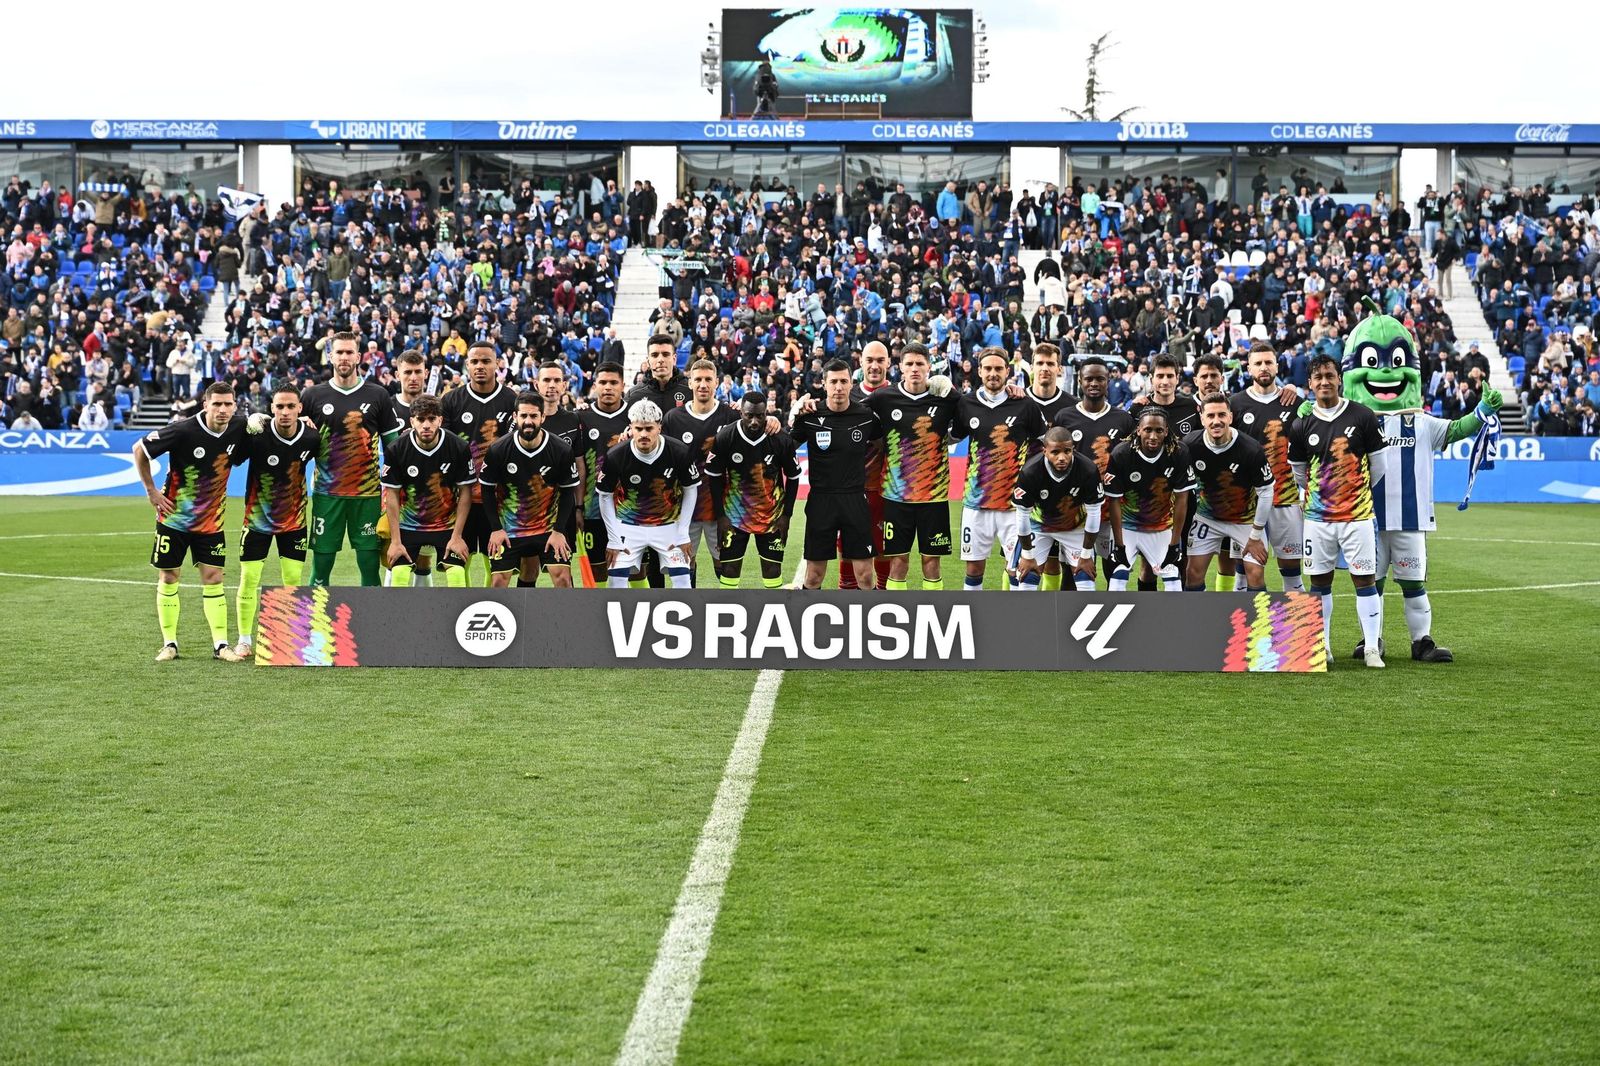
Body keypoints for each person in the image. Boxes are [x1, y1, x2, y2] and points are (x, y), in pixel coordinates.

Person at [132, 381, 247, 662]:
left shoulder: (239, 427)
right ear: (205, 405)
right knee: (169, 576)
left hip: (211, 522)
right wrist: (151, 491)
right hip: (174, 519)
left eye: (227, 404)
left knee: (214, 578)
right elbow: (139, 449)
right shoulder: (183, 430)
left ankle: (221, 646)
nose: (222, 409)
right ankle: (169, 644)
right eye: (216, 404)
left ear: (234, 406)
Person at [1288, 354, 1388, 668]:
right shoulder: (1302, 424)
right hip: (1318, 520)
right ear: (1310, 384)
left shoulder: (1363, 416)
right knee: (1319, 582)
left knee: (1365, 580)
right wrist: (1320, 496)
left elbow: (1379, 467)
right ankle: (1323, 646)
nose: (1324, 382)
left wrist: (1354, 495)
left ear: (1339, 378)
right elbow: (1300, 472)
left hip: (1357, 517)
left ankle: (1372, 647)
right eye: (1318, 378)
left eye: (1329, 376)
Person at [302, 331, 402, 587]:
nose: (344, 357)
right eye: (339, 352)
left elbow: (393, 448)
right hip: (327, 494)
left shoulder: (378, 395)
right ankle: (316, 624)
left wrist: (396, 490)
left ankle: (373, 624)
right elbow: (297, 442)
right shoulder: (312, 396)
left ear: (358, 356)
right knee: (321, 569)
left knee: (369, 568)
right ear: (330, 356)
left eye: (349, 352)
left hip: (366, 496)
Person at [866, 342, 959, 590]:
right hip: (896, 498)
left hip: (934, 497)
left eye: (920, 363)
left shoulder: (944, 398)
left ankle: (932, 614)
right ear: (900, 368)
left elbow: (976, 410)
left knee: (931, 562)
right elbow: (851, 411)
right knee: (898, 562)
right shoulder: (884, 397)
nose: (915, 368)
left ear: (929, 367)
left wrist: (954, 392)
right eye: (909, 364)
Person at [233, 385, 315, 658]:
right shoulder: (257, 436)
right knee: (249, 578)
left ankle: (290, 635)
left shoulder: (311, 438)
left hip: (294, 521)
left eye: (291, 406)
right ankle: (244, 640)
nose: (285, 412)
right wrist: (245, 427)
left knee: (292, 580)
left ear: (300, 408)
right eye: (280, 407)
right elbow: (232, 456)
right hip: (257, 521)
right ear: (271, 409)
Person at [954, 348, 1045, 590]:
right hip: (976, 503)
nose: (993, 374)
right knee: (973, 570)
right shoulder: (966, 403)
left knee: (1018, 570)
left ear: (1008, 371)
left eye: (998, 369)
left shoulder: (1025, 405)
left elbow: (1048, 444)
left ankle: (1016, 624)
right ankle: (971, 620)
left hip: (1015, 506)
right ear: (979, 371)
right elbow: (950, 438)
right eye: (988, 369)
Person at [791, 358, 882, 590]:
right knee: (813, 576)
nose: (839, 387)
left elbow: (886, 445)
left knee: (865, 576)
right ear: (824, 384)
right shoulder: (809, 416)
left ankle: (866, 624)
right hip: (821, 500)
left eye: (844, 381)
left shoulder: (866, 416)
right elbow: (785, 445)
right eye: (834, 382)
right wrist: (792, 416)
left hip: (855, 499)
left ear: (852, 383)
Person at [479, 391, 580, 589]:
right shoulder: (498, 449)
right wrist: (496, 529)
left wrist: (559, 531)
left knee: (562, 578)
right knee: (498, 581)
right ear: (515, 417)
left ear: (542, 417)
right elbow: (487, 491)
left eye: (533, 416)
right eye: (523, 415)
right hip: (510, 529)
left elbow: (568, 492)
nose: (528, 421)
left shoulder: (561, 449)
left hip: (548, 527)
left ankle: (568, 619)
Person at [596, 399, 700, 589]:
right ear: (631, 428)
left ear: (659, 427)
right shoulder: (616, 455)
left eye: (649, 428)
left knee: (683, 581)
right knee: (616, 581)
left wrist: (683, 533)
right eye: (638, 428)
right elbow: (604, 495)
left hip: (669, 525)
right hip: (628, 524)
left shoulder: (678, 451)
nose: (643, 434)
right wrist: (613, 537)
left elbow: (690, 489)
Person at [1229, 340, 1305, 592]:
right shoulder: (1235, 404)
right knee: (1245, 574)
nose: (1264, 368)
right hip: (1248, 502)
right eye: (1258, 363)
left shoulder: (1294, 403)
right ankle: (1246, 631)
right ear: (1248, 368)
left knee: (1293, 575)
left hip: (1286, 499)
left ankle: (1294, 633)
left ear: (1277, 366)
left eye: (1268, 362)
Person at [705, 391, 800, 590]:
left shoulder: (780, 439)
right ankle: (728, 616)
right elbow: (714, 478)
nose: (755, 421)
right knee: (729, 570)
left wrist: (787, 515)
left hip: (772, 517)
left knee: (772, 571)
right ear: (741, 413)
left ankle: (775, 614)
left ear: (766, 413)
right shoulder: (725, 437)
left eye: (760, 415)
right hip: (734, 516)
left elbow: (793, 478)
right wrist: (720, 516)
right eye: (750, 415)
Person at [1052, 357, 1135, 586]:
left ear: (1108, 381)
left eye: (1100, 378)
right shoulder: (1065, 417)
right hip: (1074, 511)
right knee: (1072, 574)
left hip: (1111, 511)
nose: (1094, 383)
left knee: (1114, 571)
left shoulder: (1123, 419)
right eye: (1089, 378)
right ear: (1080, 381)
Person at [1181, 392, 1275, 595]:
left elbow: (1266, 492)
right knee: (1193, 573)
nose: (1217, 421)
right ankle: (1196, 625)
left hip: (1245, 520)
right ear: (1202, 418)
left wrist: (1256, 535)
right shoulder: (1190, 444)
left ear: (1230, 417)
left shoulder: (1251, 449)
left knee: (1256, 573)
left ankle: (1257, 625)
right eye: (1211, 416)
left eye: (1222, 415)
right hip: (1207, 517)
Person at [441, 342, 518, 586]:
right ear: (467, 366)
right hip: (459, 499)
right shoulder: (452, 400)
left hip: (497, 499)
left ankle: (488, 611)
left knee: (494, 564)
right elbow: (444, 449)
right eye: (474, 362)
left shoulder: (511, 400)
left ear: (497, 364)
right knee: (456, 562)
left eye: (486, 361)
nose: (480, 366)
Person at [379, 394, 474, 588]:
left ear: (440, 419)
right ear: (412, 421)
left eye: (432, 419)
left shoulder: (458, 447)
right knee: (398, 575)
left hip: (447, 525)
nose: (426, 425)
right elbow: (392, 496)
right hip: (409, 525)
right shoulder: (396, 449)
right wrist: (396, 541)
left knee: (457, 575)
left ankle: (451, 618)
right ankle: (399, 618)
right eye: (421, 419)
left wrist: (457, 536)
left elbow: (465, 493)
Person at [663, 358, 738, 581]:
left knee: (724, 560)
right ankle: (690, 605)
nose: (703, 384)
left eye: (708, 379)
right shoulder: (673, 418)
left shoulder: (731, 416)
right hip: (685, 506)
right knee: (686, 559)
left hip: (721, 506)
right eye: (698, 380)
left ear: (717, 382)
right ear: (690, 383)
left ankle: (726, 608)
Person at [1103, 406, 1194, 592]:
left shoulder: (1179, 452)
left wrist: (1175, 543)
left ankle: (1173, 621)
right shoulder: (1121, 454)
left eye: (1159, 430)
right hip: (1127, 526)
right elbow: (1114, 502)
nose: (1153, 436)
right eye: (1148, 430)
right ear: (1138, 430)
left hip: (1161, 527)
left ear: (1166, 431)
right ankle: (1116, 618)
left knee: (1173, 577)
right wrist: (1119, 545)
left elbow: (1182, 500)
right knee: (1118, 574)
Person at [1011, 427, 1104, 591]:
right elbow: (1022, 516)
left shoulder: (1088, 470)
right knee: (1027, 578)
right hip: (1039, 526)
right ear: (1045, 451)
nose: (1062, 457)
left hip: (1074, 527)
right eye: (1055, 452)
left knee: (1086, 579)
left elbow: (1095, 512)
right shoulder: (1030, 471)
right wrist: (1027, 555)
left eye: (1067, 451)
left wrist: (1086, 555)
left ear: (1073, 449)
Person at [577, 361, 634, 583]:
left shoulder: (634, 416)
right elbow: (579, 465)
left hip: (629, 508)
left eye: (613, 383)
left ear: (623, 385)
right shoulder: (581, 417)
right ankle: (597, 614)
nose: (608, 387)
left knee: (635, 568)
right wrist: (578, 507)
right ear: (595, 385)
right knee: (597, 568)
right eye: (603, 382)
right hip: (592, 508)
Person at [627, 333, 693, 411]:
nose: (660, 360)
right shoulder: (633, 395)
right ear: (648, 361)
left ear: (674, 359)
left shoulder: (691, 391)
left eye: (665, 354)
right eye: (655, 355)